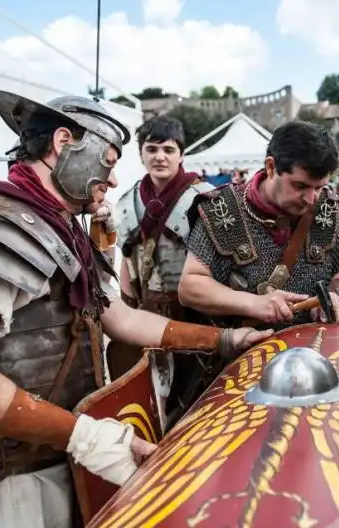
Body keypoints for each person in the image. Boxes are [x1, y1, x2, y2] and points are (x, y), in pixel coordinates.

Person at [0, 91, 270, 525]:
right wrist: (85, 437)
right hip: (6, 483)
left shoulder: (60, 226)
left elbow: (121, 317)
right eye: (108, 161)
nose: (111, 181)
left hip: (53, 459)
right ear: (63, 141)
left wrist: (225, 339)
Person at [179, 121, 339, 327]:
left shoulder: (328, 208)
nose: (312, 199)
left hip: (317, 346)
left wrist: (333, 295)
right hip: (248, 351)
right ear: (271, 167)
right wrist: (253, 304)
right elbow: (189, 286)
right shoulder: (221, 210)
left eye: (319, 187)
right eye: (300, 185)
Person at [109, 115, 221, 432]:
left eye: (169, 149)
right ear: (142, 154)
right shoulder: (129, 200)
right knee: (151, 407)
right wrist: (128, 311)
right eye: (152, 148)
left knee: (197, 408)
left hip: (196, 318)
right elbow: (128, 260)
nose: (160, 156)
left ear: (181, 154)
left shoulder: (205, 199)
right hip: (146, 319)